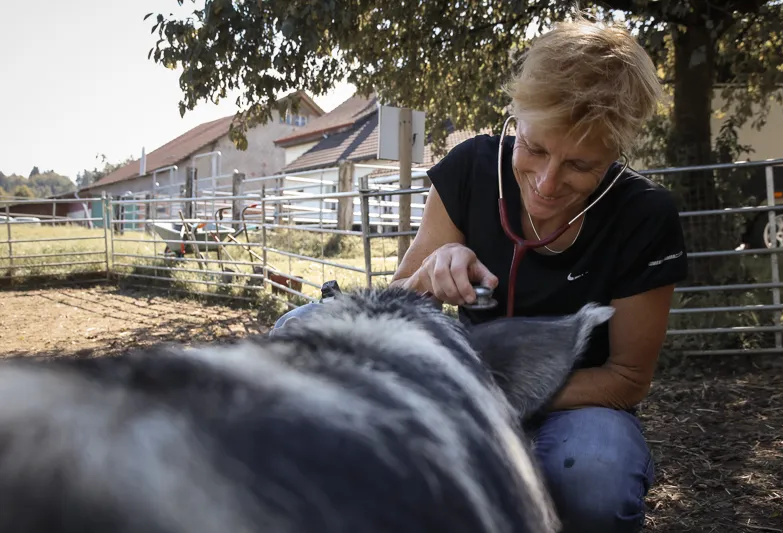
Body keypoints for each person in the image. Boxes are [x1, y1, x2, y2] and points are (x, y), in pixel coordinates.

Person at [270, 13, 688, 533]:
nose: (547, 182)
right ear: (515, 116)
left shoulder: (645, 216)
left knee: (594, 482)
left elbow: (626, 379)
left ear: (616, 152)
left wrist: (501, 390)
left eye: (580, 165)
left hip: (573, 401)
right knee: (298, 337)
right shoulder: (471, 169)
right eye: (533, 148)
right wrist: (427, 277)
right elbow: (395, 304)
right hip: (460, 382)